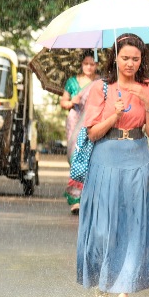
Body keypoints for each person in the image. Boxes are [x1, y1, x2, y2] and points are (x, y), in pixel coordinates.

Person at [76, 33, 149, 297]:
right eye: (125, 57)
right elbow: (92, 133)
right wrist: (114, 116)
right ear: (115, 58)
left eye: (136, 58)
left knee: (132, 227)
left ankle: (123, 293)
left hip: (137, 158)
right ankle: (105, 277)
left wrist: (148, 104)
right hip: (106, 159)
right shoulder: (100, 88)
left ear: (142, 60)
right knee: (104, 228)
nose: (130, 63)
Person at [61, 50, 99, 214]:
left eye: (92, 64)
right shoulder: (72, 82)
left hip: (93, 121)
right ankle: (75, 198)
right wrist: (71, 101)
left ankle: (89, 196)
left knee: (92, 158)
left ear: (96, 65)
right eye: (86, 64)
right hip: (75, 121)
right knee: (76, 156)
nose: (89, 67)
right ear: (81, 65)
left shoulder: (100, 82)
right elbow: (63, 102)